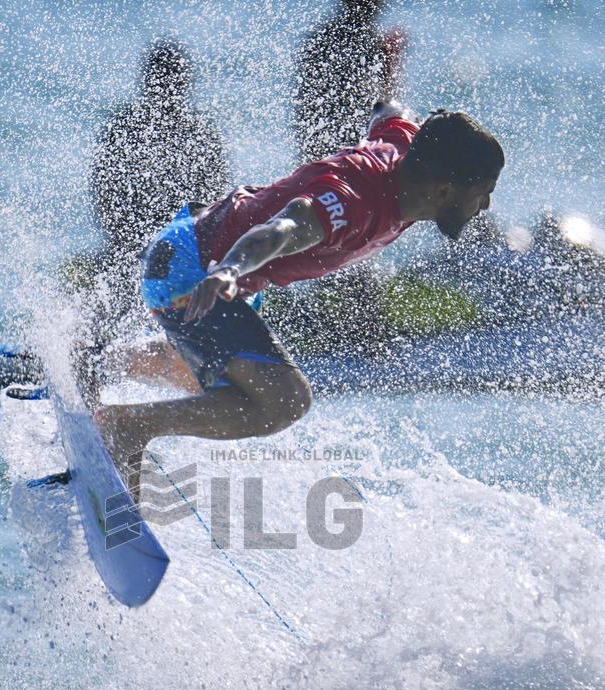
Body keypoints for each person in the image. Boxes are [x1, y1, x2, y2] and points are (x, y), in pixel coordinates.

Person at [93, 102, 505, 494]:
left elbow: (390, 112)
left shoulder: (406, 143)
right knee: (283, 400)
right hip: (196, 271)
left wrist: (386, 91)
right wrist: (229, 270)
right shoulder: (351, 203)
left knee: (227, 381)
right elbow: (284, 229)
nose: (485, 205)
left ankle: (98, 360)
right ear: (444, 189)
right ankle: (128, 426)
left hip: (198, 248)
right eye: (482, 192)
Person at [89, 39, 231, 288]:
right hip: (163, 244)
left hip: (162, 243)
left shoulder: (123, 126)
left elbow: (103, 197)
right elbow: (215, 202)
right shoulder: (197, 131)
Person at [294, 0, 406, 163]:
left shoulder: (320, 36)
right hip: (349, 131)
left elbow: (305, 99)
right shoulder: (372, 43)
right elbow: (387, 100)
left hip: (321, 131)